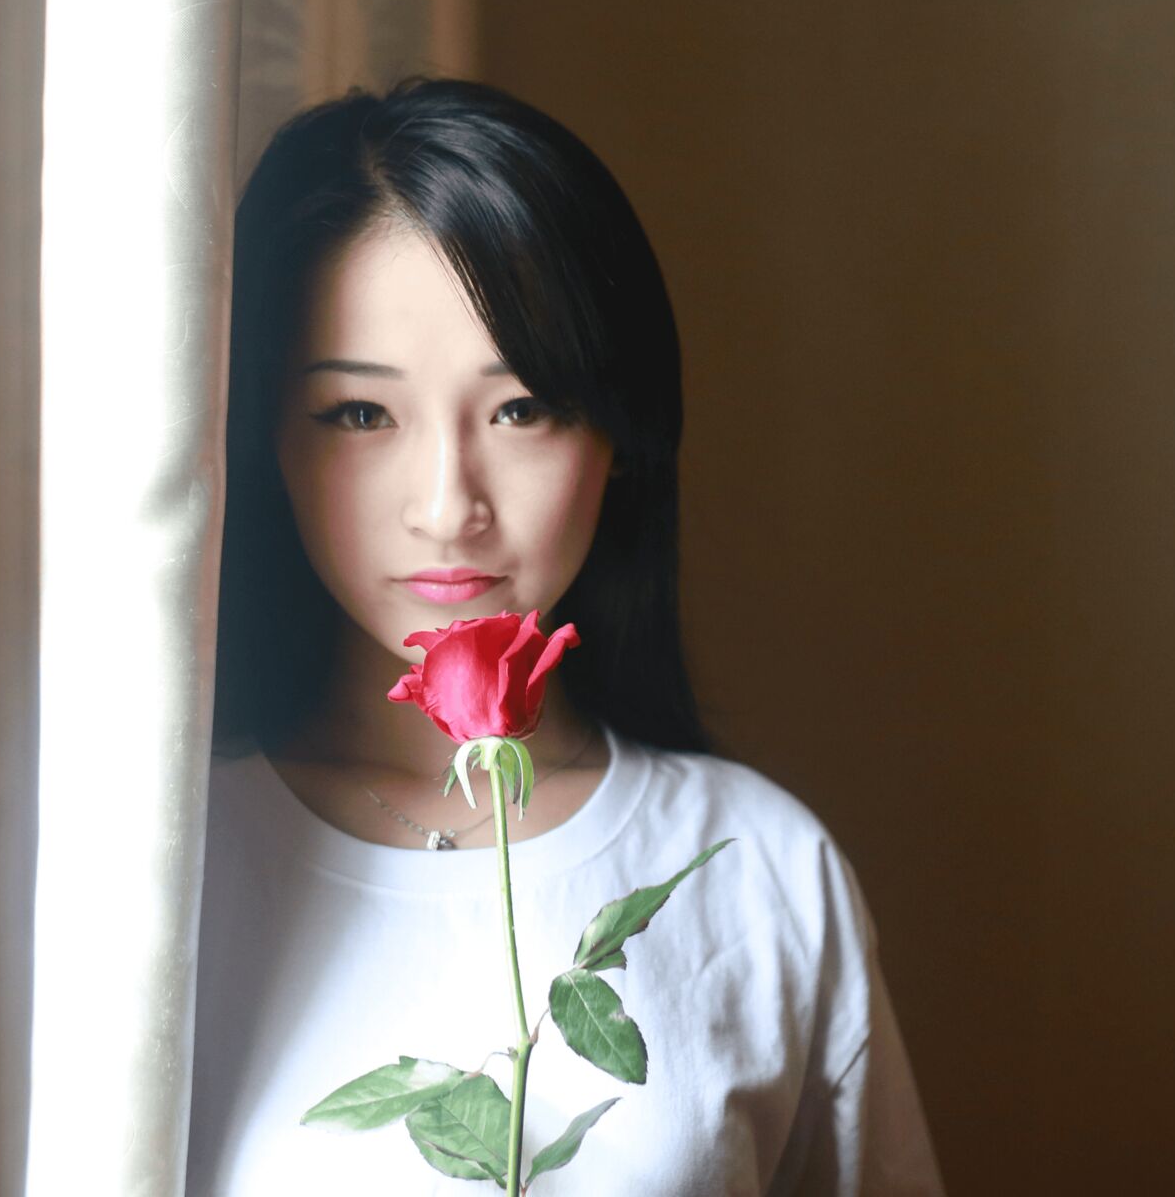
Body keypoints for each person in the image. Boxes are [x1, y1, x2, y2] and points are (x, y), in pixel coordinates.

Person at [186, 76, 947, 1196]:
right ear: (263, 441)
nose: (447, 506)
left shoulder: (755, 869)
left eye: (521, 408)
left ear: (621, 434)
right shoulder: (170, 857)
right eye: (360, 414)